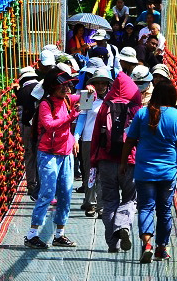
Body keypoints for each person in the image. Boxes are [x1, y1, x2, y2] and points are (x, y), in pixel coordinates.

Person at [120, 80, 177, 263]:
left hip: (144, 170)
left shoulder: (143, 114)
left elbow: (130, 140)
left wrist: (123, 163)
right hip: (167, 172)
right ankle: (162, 248)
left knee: (145, 207)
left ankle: (147, 245)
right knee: (165, 210)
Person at [24, 66, 81, 250]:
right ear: (51, 88)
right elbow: (48, 126)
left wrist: (93, 92)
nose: (66, 89)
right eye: (62, 86)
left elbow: (81, 97)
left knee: (66, 193)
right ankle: (32, 235)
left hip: (65, 154)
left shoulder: (66, 100)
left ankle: (59, 235)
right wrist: (71, 117)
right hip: (48, 154)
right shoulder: (45, 104)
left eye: (67, 86)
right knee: (47, 193)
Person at [89, 68, 143, 253]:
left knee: (109, 201)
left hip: (106, 160)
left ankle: (113, 243)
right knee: (129, 199)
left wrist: (93, 160)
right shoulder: (137, 109)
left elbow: (96, 134)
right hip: (129, 161)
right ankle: (123, 226)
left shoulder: (105, 107)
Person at [74, 66, 111, 217]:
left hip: (105, 140)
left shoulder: (112, 99)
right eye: (98, 83)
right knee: (89, 171)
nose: (101, 86)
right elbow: (81, 119)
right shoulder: (88, 97)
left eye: (104, 83)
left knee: (104, 173)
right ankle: (90, 202)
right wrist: (76, 138)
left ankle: (102, 205)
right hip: (89, 139)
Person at [14, 65, 42, 200]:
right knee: (42, 154)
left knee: (29, 154)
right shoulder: (42, 87)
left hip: (27, 127)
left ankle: (31, 184)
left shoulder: (22, 92)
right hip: (43, 126)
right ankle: (42, 184)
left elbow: (20, 114)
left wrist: (21, 130)